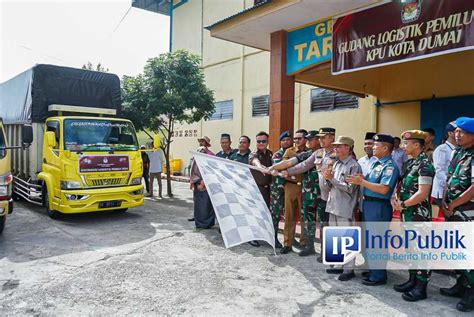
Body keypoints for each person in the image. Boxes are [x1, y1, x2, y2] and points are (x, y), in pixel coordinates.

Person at [272, 127, 336, 260]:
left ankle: (326, 250)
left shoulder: (338, 153)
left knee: (325, 222)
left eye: (323, 137)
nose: (320, 140)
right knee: (308, 220)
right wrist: (286, 171)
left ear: (332, 137)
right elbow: (302, 165)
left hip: (327, 195)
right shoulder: (317, 153)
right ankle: (309, 246)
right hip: (309, 193)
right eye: (319, 137)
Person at [347, 134, 399, 286]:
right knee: (369, 240)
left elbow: (384, 189)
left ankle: (378, 276)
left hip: (379, 206)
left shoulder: (389, 166)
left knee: (377, 242)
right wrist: (362, 179)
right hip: (368, 205)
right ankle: (373, 270)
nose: (372, 147)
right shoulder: (377, 163)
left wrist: (362, 181)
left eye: (376, 145)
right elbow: (371, 183)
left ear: (385, 148)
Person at [392, 130, 434, 302]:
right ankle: (412, 280)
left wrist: (402, 204)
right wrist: (398, 200)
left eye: (406, 143)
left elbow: (423, 193)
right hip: (408, 214)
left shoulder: (425, 165)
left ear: (417, 145)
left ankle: (421, 287)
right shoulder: (411, 164)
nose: (403, 146)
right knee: (410, 249)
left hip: (419, 216)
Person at [440, 117, 474, 312]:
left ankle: (471, 292)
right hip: (452, 210)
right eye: (456, 132)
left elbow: (473, 188)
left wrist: (453, 204)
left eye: (463, 132)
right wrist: (445, 201)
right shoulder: (458, 152)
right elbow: (449, 179)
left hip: (467, 213)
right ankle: (461, 284)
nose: (458, 135)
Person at [323, 136, 361, 281]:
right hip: (333, 204)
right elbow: (331, 185)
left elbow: (350, 188)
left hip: (345, 206)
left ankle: (349, 269)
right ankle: (338, 265)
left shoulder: (354, 165)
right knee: (334, 235)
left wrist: (331, 179)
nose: (336, 149)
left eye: (339, 146)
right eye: (335, 146)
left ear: (348, 148)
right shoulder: (336, 164)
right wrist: (327, 179)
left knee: (347, 237)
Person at [277, 129, 308, 254]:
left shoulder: (310, 152)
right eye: (295, 139)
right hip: (291, 186)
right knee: (289, 216)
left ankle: (303, 242)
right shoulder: (289, 151)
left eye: (299, 138)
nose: (296, 141)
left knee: (304, 216)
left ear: (305, 139)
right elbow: (284, 165)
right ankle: (287, 243)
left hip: (305, 187)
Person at [248, 131, 273, 247]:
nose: (261, 143)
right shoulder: (253, 154)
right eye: (259, 141)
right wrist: (260, 168)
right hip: (256, 189)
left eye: (264, 141)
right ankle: (252, 237)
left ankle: (262, 235)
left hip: (267, 189)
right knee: (254, 213)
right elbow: (255, 161)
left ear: (267, 142)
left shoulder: (270, 154)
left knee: (264, 213)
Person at [269, 131, 293, 249]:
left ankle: (289, 239)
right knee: (276, 214)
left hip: (290, 187)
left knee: (289, 214)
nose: (285, 142)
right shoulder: (277, 155)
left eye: (288, 140)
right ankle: (273, 238)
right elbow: (281, 167)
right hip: (278, 189)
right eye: (283, 140)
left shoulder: (294, 153)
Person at [431, 122, 457, 208]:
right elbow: (439, 171)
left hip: (454, 189)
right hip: (443, 191)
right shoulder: (442, 149)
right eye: (457, 131)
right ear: (450, 133)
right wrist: (450, 186)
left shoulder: (458, 149)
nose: (461, 134)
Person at [190, 146, 215, 229]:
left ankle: (207, 224)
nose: (201, 153)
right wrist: (194, 183)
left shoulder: (209, 159)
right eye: (199, 151)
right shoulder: (195, 160)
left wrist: (203, 183)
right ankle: (199, 223)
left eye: (203, 151)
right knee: (199, 206)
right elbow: (192, 172)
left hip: (205, 185)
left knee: (206, 206)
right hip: (197, 184)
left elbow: (209, 172)